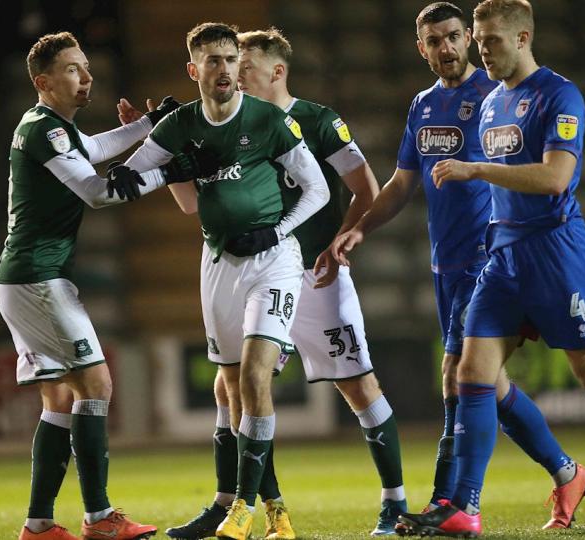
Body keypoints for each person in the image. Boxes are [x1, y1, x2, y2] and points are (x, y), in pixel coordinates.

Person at [388, 0, 585, 535]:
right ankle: (465, 507)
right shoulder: (491, 104)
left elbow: (555, 179)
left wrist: (475, 169)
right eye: (480, 40)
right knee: (471, 373)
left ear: (523, 38)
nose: (482, 51)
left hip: (555, 251)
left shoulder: (560, 95)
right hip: (503, 256)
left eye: (490, 41)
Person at [331, 1, 585, 532]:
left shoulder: (495, 96)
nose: (447, 47)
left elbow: (533, 169)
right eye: (435, 40)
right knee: (486, 383)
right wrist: (360, 226)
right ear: (421, 48)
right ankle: (566, 472)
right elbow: (403, 182)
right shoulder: (423, 105)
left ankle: (448, 501)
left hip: (488, 256)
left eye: (454, 36)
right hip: (444, 263)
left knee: (456, 376)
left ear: (468, 40)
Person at [161, 27, 407, 539]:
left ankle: (395, 502)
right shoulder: (230, 125)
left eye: (245, 67)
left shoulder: (318, 122)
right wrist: (168, 153)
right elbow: (193, 203)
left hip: (315, 274)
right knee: (231, 386)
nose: (235, 76)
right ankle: (230, 504)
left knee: (357, 383)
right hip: (259, 269)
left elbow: (365, 188)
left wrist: (341, 241)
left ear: (276, 72)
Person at [123, 22, 330, 540]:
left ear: (240, 66)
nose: (223, 69)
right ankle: (273, 507)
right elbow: (127, 180)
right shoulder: (179, 127)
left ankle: (240, 507)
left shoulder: (266, 119)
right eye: (211, 60)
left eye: (230, 58)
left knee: (255, 377)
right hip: (218, 263)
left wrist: (275, 231)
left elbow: (319, 189)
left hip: (274, 259)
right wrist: (149, 158)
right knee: (233, 388)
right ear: (192, 70)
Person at [0, 31, 180, 540]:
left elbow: (94, 148)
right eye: (73, 69)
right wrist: (168, 172)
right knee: (95, 385)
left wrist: (147, 126)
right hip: (37, 278)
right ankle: (99, 518)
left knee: (59, 398)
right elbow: (98, 192)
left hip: (26, 277)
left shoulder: (50, 128)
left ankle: (38, 525)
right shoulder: (44, 130)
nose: (87, 77)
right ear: (43, 82)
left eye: (87, 68)